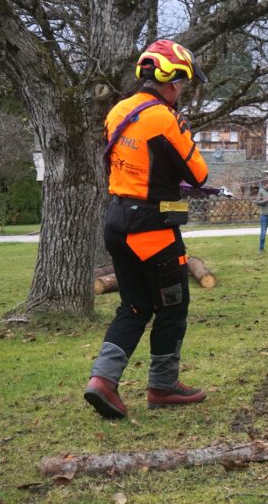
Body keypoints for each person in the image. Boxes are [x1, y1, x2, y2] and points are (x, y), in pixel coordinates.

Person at [85, 39, 210, 419]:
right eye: (183, 82)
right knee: (173, 307)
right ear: (171, 80)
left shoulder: (118, 111)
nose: (182, 90)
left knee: (134, 305)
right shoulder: (164, 118)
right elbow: (199, 174)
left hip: (117, 220)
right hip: (152, 229)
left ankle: (102, 380)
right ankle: (162, 386)